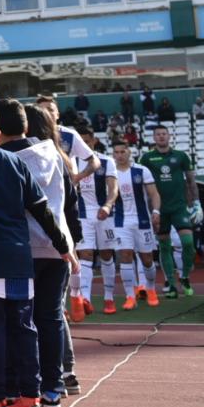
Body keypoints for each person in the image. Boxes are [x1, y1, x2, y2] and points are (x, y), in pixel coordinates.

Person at [0, 103, 72, 407]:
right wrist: (63, 245)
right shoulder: (14, 162)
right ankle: (29, 397)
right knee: (25, 327)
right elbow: (41, 208)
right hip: (19, 256)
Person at [16, 104, 83, 407]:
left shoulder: (8, 158)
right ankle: (55, 386)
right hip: (57, 246)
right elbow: (71, 201)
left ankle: (27, 385)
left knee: (23, 319)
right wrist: (71, 241)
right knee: (52, 317)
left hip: (24, 247)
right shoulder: (57, 155)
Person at [139, 126, 201, 298]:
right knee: (165, 247)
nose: (161, 137)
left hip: (179, 207)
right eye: (158, 134)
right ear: (154, 137)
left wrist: (197, 203)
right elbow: (141, 183)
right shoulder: (147, 158)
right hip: (159, 209)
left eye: (163, 134)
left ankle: (185, 277)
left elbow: (191, 181)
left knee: (188, 244)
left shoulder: (181, 156)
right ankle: (172, 285)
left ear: (169, 136)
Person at [73, 126, 120, 318]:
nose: (83, 144)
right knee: (85, 254)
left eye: (86, 141)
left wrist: (108, 205)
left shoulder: (107, 161)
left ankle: (109, 296)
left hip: (104, 214)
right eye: (80, 141)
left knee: (107, 254)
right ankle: (86, 298)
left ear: (93, 141)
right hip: (82, 215)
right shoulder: (72, 161)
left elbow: (113, 188)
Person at [110, 140, 162, 311]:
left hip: (142, 221)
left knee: (147, 259)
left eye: (122, 151)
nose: (119, 155)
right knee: (125, 256)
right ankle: (130, 295)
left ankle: (151, 289)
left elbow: (154, 194)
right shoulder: (110, 173)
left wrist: (156, 212)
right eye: (116, 152)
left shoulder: (142, 170)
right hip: (120, 221)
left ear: (129, 152)